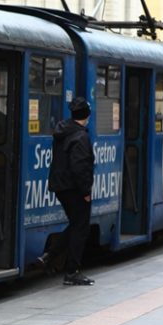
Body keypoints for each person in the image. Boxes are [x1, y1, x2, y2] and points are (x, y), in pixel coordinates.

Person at [37, 97, 95, 286]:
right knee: (81, 227)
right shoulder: (81, 136)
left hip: (60, 186)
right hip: (74, 188)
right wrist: (86, 190)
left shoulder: (63, 131)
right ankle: (72, 271)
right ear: (86, 116)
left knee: (77, 224)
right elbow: (80, 167)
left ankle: (49, 256)